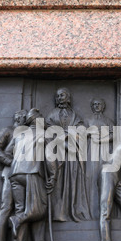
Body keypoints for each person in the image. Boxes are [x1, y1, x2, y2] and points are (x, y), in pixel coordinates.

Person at [8, 108, 56, 241]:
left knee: (21, 207)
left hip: (15, 174)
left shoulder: (19, 133)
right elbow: (50, 158)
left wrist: (17, 164)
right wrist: (53, 175)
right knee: (40, 209)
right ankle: (18, 220)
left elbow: (9, 151)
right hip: (32, 173)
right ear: (37, 119)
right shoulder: (43, 134)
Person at [45, 87, 91, 221]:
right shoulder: (51, 115)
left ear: (68, 98)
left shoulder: (75, 115)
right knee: (58, 183)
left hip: (72, 154)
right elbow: (48, 130)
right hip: (57, 152)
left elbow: (82, 130)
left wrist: (70, 136)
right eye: (58, 96)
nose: (60, 98)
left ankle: (74, 209)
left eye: (62, 95)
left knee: (72, 181)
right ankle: (58, 213)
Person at [0, 109, 27, 241]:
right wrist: (12, 162)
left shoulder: (27, 133)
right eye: (20, 116)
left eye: (24, 116)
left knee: (21, 209)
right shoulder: (7, 131)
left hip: (25, 174)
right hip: (11, 173)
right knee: (6, 208)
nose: (22, 118)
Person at [85, 98, 116, 219]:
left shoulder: (108, 121)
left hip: (105, 151)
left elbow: (114, 134)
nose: (97, 106)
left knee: (104, 180)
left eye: (99, 104)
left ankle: (103, 213)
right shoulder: (88, 120)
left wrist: (102, 139)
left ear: (103, 106)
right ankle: (91, 212)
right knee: (90, 177)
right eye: (94, 104)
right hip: (91, 151)